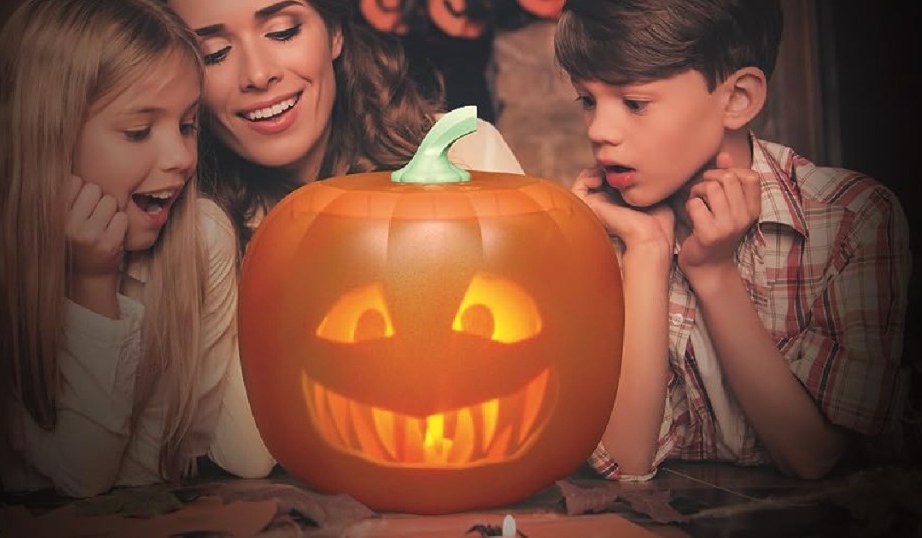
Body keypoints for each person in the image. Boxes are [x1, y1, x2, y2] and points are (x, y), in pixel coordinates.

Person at [0, 0, 273, 500]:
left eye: (188, 126)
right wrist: (93, 286)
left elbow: (243, 454)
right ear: (50, 139)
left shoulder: (202, 239)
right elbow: (83, 480)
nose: (180, 158)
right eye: (138, 131)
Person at [554, 0, 912, 481]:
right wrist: (646, 250)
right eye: (587, 100)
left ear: (738, 98)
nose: (599, 130)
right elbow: (626, 462)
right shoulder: (600, 232)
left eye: (634, 103)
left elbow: (815, 455)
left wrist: (714, 273)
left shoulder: (851, 218)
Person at [164, 0, 524, 253]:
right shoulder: (182, 232)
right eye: (213, 53)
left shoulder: (465, 153)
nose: (257, 74)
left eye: (282, 32)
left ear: (334, 32)